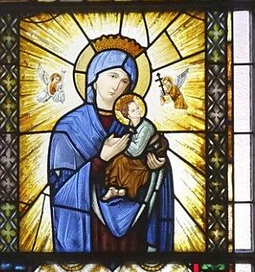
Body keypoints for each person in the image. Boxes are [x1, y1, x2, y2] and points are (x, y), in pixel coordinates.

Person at [48, 35, 173, 253]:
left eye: (125, 81)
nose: (117, 86)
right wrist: (101, 159)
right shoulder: (69, 127)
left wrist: (157, 166)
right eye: (112, 76)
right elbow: (61, 189)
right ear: (94, 79)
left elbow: (151, 159)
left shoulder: (134, 125)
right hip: (88, 228)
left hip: (134, 225)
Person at [102, 93, 167, 201]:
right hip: (135, 159)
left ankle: (123, 190)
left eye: (137, 108)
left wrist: (120, 142)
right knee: (117, 161)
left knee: (121, 161)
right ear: (128, 115)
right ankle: (114, 189)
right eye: (133, 110)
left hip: (145, 160)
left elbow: (137, 150)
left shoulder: (146, 127)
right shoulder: (131, 126)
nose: (137, 111)